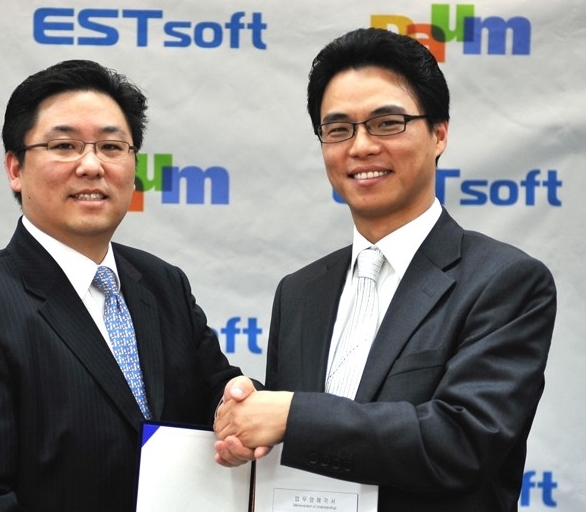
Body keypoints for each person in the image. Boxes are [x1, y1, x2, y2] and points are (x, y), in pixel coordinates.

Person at [213, 28, 557, 511]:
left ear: (439, 134)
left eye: (386, 123)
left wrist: (291, 415)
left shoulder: (504, 281)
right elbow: (300, 448)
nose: (361, 146)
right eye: (338, 129)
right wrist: (248, 428)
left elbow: (462, 441)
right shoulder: (299, 292)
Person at [0, 59, 245, 511]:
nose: (91, 165)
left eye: (112, 147)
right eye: (64, 145)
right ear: (15, 168)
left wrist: (244, 405)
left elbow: (216, 394)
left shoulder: (163, 283)